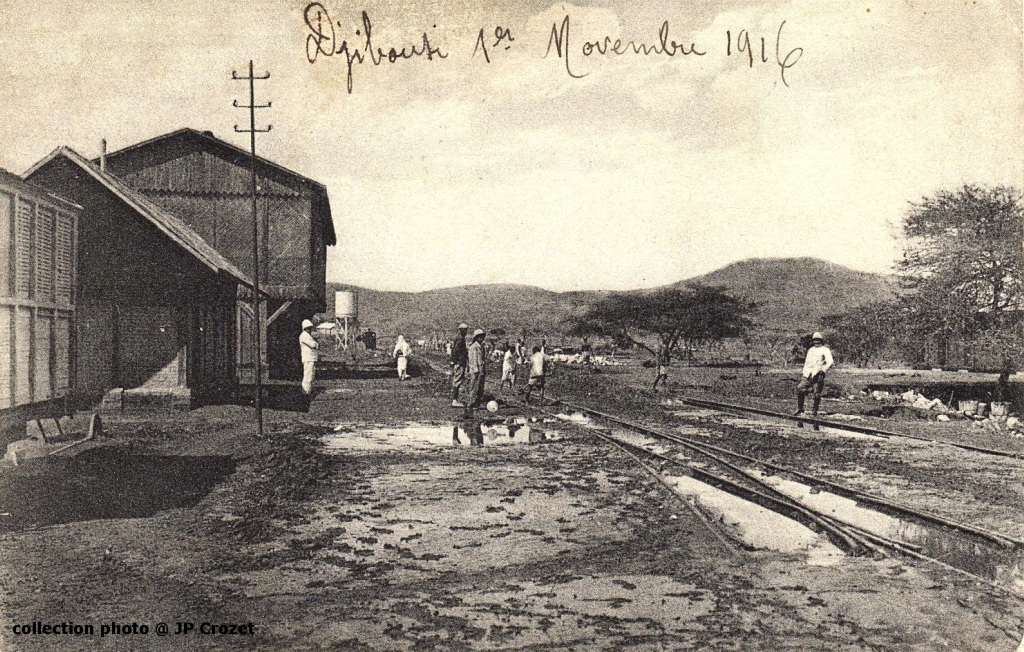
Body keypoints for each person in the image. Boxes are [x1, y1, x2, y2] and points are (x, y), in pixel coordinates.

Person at [796, 332, 834, 415]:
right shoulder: (811, 350)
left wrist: (823, 370)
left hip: (817, 374)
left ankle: (814, 410)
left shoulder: (825, 349)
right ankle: (800, 409)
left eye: (818, 340)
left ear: (821, 341)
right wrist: (804, 373)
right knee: (800, 389)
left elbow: (830, 361)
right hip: (808, 374)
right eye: (814, 340)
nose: (816, 342)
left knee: (817, 393)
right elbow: (806, 362)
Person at [467, 328, 487, 408]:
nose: (481, 339)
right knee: (474, 387)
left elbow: (482, 359)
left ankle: (477, 403)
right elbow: (473, 359)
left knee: (480, 388)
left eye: (482, 337)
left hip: (481, 370)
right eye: (479, 337)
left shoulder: (481, 347)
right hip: (476, 370)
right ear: (476, 337)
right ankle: (471, 403)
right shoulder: (474, 347)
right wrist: (476, 370)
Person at [450, 323, 469, 407]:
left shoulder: (460, 338)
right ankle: (454, 400)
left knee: (458, 380)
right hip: (459, 362)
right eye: (464, 330)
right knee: (457, 380)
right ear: (461, 330)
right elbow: (455, 350)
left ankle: (455, 399)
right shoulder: (460, 339)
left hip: (460, 362)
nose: (466, 332)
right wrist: (453, 361)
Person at [299, 319, 319, 395]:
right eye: (308, 328)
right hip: (308, 358)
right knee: (308, 375)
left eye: (310, 328)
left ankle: (309, 390)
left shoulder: (307, 335)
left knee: (311, 375)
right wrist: (316, 343)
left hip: (311, 358)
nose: (309, 329)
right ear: (305, 328)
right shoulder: (304, 336)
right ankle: (306, 391)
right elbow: (313, 345)